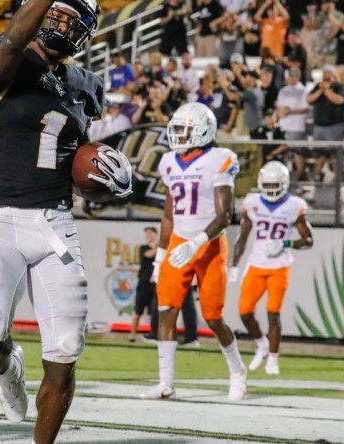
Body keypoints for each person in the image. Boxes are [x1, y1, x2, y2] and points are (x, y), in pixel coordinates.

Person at [0, 1, 131, 442]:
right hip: (1, 220)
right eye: (54, 12)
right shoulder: (8, 59)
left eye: (74, 19)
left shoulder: (86, 85)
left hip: (56, 223)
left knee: (66, 349)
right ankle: (9, 367)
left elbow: (72, 149)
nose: (62, 23)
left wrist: (102, 174)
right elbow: (15, 39)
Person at [141, 102, 247, 401]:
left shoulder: (221, 158)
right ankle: (166, 383)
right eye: (177, 129)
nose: (179, 135)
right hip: (178, 243)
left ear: (203, 130)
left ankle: (237, 370)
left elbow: (226, 215)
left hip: (210, 245)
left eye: (185, 129)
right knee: (166, 311)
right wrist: (161, 257)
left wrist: (196, 243)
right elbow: (168, 215)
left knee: (213, 317)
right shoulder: (169, 162)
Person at [230, 161, 313, 375]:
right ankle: (262, 343)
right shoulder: (253, 202)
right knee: (244, 311)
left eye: (273, 185)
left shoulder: (294, 205)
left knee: (273, 312)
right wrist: (235, 264)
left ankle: (273, 358)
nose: (269, 190)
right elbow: (242, 237)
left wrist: (286, 243)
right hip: (256, 264)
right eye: (266, 185)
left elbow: (308, 240)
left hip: (280, 265)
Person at [130, 227, 158, 342]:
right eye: (147, 233)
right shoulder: (143, 248)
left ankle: (153, 334)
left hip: (155, 284)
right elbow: (149, 255)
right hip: (143, 283)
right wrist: (157, 248)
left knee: (154, 311)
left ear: (155, 235)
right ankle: (132, 334)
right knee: (138, 311)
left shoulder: (160, 249)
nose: (148, 235)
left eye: (151, 233)